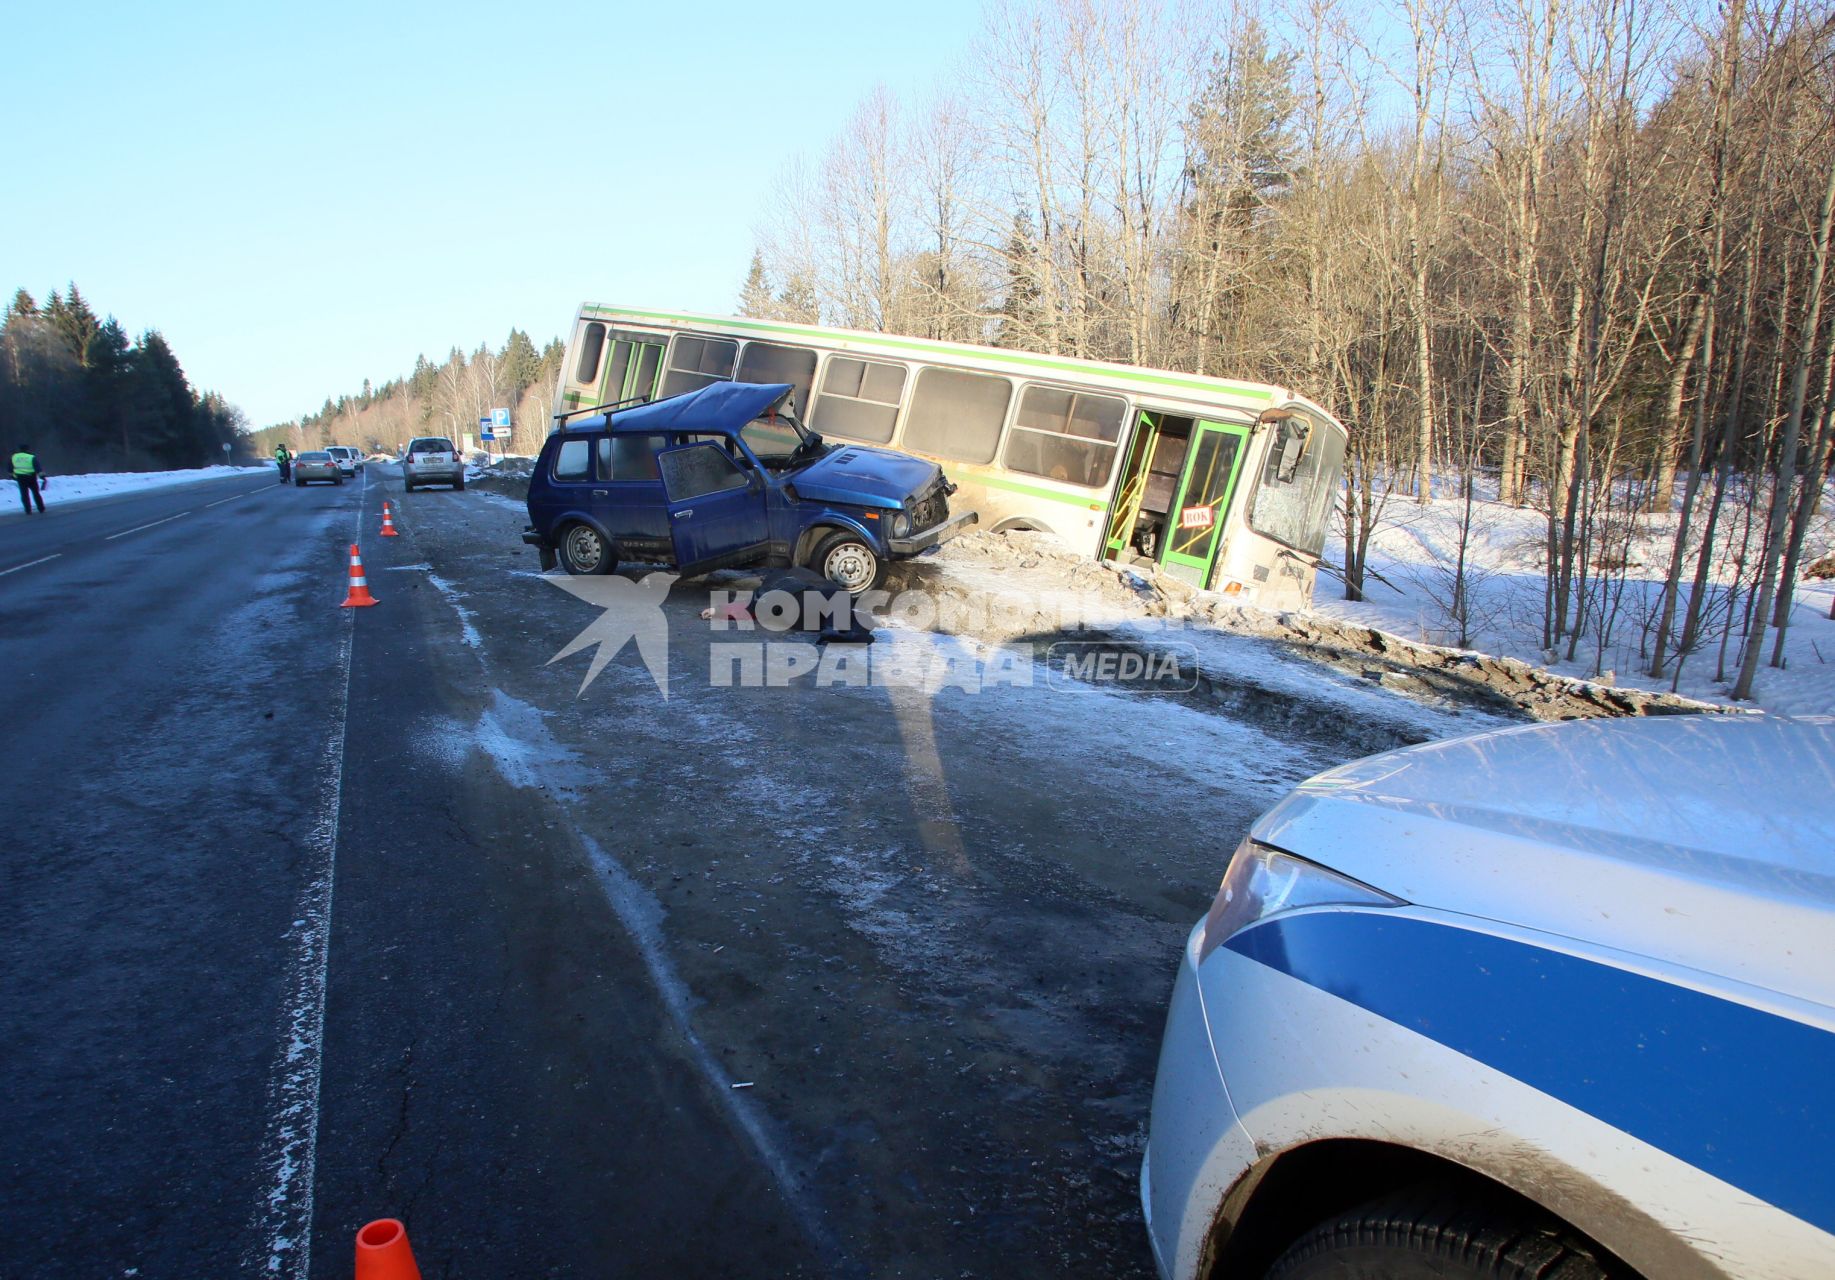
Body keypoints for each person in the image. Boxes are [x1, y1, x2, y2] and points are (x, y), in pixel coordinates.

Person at [12, 445, 45, 515]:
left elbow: (10, 468)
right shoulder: (31, 457)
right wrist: (42, 476)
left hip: (20, 478)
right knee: (36, 493)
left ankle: (28, 510)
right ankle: (41, 508)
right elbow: (38, 468)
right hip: (31, 477)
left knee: (24, 494)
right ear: (27, 449)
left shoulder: (14, 457)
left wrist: (13, 476)